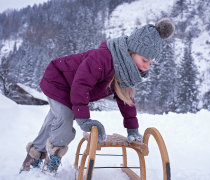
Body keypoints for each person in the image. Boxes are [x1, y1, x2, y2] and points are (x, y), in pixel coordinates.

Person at [20, 18, 175, 173]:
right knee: (64, 121)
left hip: (71, 88)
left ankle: (32, 157)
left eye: (150, 63)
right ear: (132, 51)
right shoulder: (103, 58)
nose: (146, 67)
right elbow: (81, 86)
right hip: (58, 80)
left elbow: (126, 100)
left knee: (55, 120)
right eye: (144, 60)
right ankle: (51, 164)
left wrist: (132, 130)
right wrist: (84, 120)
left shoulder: (126, 72)